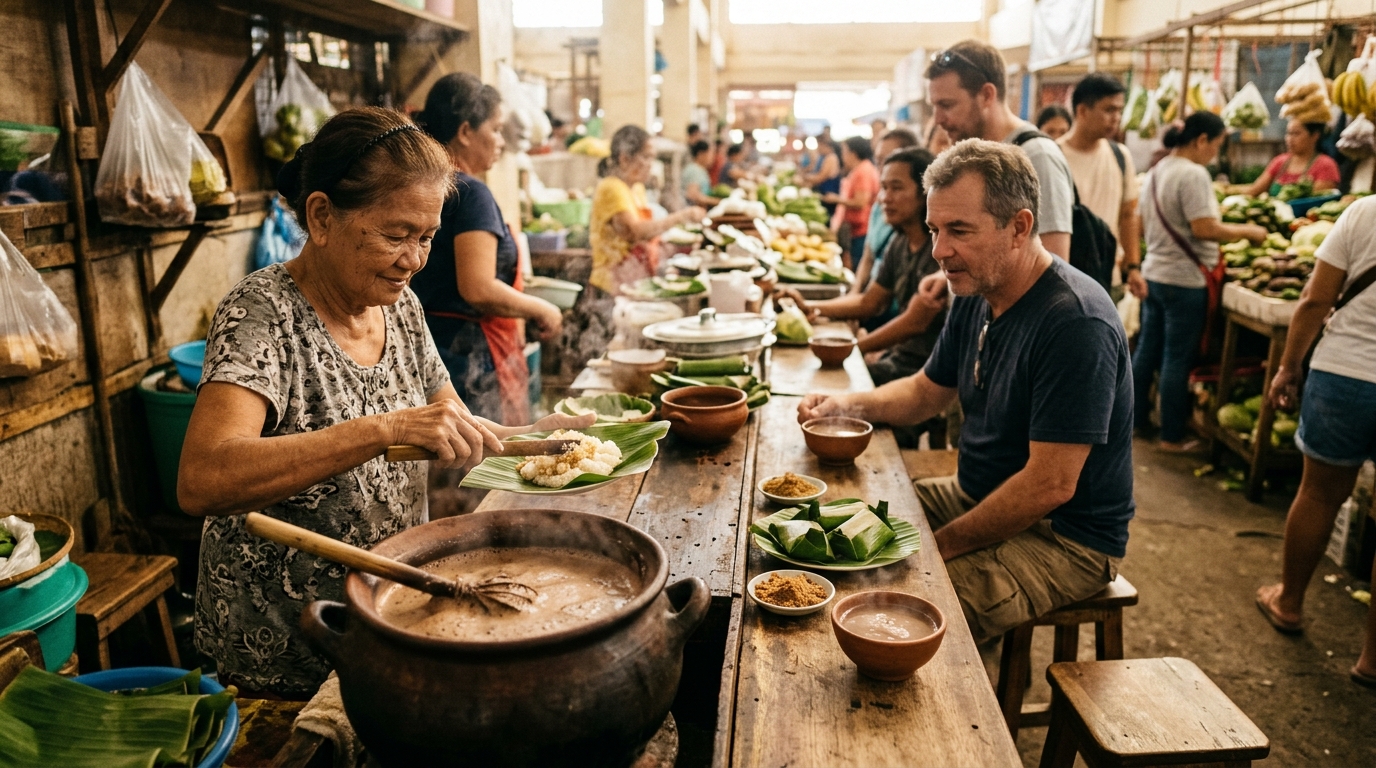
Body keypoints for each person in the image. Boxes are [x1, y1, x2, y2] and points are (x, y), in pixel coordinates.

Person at [179, 107, 592, 698]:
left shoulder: (399, 306)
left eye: (426, 238)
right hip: (285, 646)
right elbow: (202, 478)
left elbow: (454, 429)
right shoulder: (262, 313)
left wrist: (535, 437)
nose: (415, 259)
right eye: (397, 235)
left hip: (389, 617)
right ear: (321, 216)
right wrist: (381, 429)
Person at [796, 139, 1134, 643]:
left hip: (1063, 538)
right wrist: (843, 404)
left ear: (1019, 227)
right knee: (830, 537)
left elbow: (1050, 485)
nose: (939, 251)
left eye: (959, 231)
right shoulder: (976, 289)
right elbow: (926, 393)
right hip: (975, 493)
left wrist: (940, 547)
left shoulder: (1075, 323)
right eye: (935, 229)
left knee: (897, 616)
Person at [1254, 195, 1376, 688]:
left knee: (1320, 494)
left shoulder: (1364, 212)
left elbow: (1315, 299)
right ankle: (1371, 660)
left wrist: (1288, 367)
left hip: (1343, 374)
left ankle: (1290, 603)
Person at [411, 73, 560, 426]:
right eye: (495, 129)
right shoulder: (471, 193)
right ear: (464, 132)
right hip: (468, 357)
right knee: (485, 462)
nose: (500, 142)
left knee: (452, 459)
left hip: (430, 347)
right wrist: (543, 308)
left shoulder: (422, 185)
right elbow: (477, 288)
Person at [1134, 112, 1267, 452]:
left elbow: (1139, 222)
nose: (1214, 155)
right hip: (1184, 281)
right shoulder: (1193, 174)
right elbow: (1204, 228)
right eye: (1217, 145)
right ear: (1202, 139)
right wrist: (1248, 232)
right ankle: (1172, 436)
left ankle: (1134, 423)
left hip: (1155, 274)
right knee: (1177, 358)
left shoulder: (1157, 169)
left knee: (1148, 352)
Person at [779, 147, 946, 392]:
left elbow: (915, 323)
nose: (884, 198)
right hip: (899, 358)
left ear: (924, 194)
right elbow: (870, 302)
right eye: (884, 188)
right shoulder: (899, 243)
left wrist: (856, 347)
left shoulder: (939, 250)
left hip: (928, 372)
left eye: (896, 188)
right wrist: (809, 306)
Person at [926, 40, 1075, 261]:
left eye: (947, 105)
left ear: (987, 95)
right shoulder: (975, 159)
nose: (938, 119)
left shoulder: (1038, 156)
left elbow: (1053, 268)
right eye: (934, 107)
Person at [1058, 73, 1141, 301]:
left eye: (1119, 111)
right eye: (1108, 110)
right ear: (1082, 111)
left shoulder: (1120, 156)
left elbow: (1128, 215)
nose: (1116, 118)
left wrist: (1133, 266)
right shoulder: (1054, 156)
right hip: (1064, 281)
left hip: (1107, 280)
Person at [851, 128, 921, 297]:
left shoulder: (920, 233)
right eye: (879, 161)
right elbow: (867, 259)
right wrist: (855, 292)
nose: (883, 168)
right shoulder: (879, 208)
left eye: (889, 159)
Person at [1241, 119, 1341, 197]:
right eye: (1288, 133)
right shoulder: (1279, 162)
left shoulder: (1326, 165)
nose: (1290, 139)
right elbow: (1254, 191)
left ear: (1315, 136)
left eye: (1296, 134)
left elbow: (1316, 201)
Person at [823, 136, 880, 269]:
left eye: (844, 152)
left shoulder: (863, 171)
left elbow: (861, 202)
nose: (843, 156)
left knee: (858, 265)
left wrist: (836, 199)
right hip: (856, 229)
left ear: (853, 153)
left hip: (862, 230)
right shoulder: (860, 169)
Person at [799, 137, 841, 216]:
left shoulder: (831, 157)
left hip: (828, 193)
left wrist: (805, 177)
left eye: (819, 146)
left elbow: (820, 177)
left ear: (825, 146)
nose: (818, 148)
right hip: (824, 192)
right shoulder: (823, 157)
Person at [682, 140, 720, 208]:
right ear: (701, 154)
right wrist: (718, 202)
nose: (713, 158)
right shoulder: (694, 170)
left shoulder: (700, 169)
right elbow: (693, 195)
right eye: (710, 154)